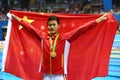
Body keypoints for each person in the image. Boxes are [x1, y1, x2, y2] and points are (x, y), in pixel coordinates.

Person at [11, 13, 107, 80]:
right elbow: (29, 28)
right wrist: (17, 19)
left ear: (58, 26)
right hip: (46, 75)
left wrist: (98, 20)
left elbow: (82, 29)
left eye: (54, 25)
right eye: (49, 25)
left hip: (59, 75)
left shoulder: (65, 38)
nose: (51, 27)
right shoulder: (42, 37)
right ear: (47, 26)